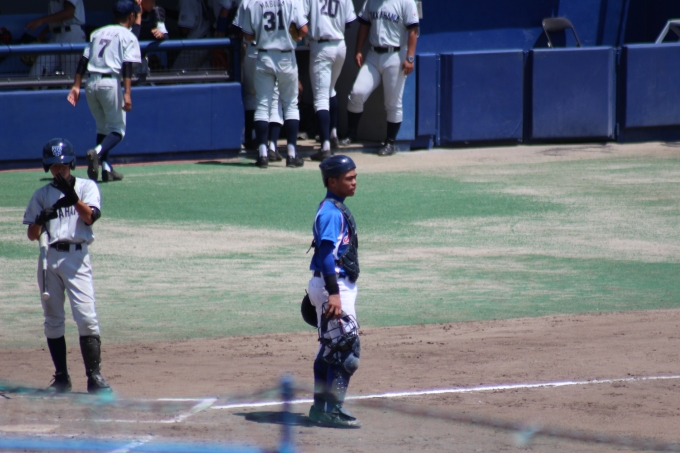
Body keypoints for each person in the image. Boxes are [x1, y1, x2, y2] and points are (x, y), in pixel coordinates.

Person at [22, 138, 111, 395]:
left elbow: (90, 217)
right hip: (49, 257)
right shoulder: (41, 195)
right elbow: (32, 234)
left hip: (77, 258)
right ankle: (61, 377)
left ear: (71, 163)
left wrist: (72, 198)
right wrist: (40, 220)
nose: (58, 170)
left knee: (86, 317)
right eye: (53, 166)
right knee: (53, 319)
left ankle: (94, 377)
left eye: (62, 165)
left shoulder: (86, 187)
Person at [307, 155, 361, 428]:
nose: (354, 182)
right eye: (348, 178)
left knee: (329, 348)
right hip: (334, 285)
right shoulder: (330, 213)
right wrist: (333, 293)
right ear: (332, 181)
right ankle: (333, 410)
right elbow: (327, 255)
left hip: (329, 284)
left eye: (355, 177)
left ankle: (320, 408)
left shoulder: (333, 208)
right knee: (347, 349)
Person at [66, 0, 142, 183]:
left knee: (103, 127)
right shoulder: (127, 35)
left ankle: (107, 169)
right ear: (131, 16)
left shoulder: (98, 32)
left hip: (90, 83)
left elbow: (83, 60)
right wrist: (127, 93)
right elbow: (127, 66)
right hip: (109, 82)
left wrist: (76, 86)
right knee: (117, 130)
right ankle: (97, 152)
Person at [341, 0, 419, 156]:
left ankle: (390, 142)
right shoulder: (371, 1)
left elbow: (413, 30)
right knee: (357, 92)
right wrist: (358, 49)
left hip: (395, 55)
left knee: (393, 102)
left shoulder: (406, 2)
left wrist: (410, 57)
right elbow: (364, 25)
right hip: (373, 54)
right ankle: (351, 133)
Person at [240, 0, 308, 168]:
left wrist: (265, 35)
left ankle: (263, 155)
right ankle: (291, 155)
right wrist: (291, 34)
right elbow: (303, 30)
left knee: (262, 105)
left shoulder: (254, 2)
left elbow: (247, 35)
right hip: (286, 56)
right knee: (290, 105)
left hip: (264, 55)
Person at [305, 0, 356, 161]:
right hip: (340, 45)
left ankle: (325, 147)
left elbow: (300, 21)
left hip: (321, 46)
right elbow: (349, 23)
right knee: (330, 90)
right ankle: (333, 133)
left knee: (321, 99)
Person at [25, 0, 86, 79]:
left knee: (71, 78)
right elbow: (59, 22)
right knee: (36, 75)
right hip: (55, 36)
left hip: (71, 35)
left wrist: (42, 20)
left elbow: (69, 12)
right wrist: (44, 32)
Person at [172, 0, 212, 70]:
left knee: (176, 74)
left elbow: (185, 30)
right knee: (203, 75)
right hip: (207, 40)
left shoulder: (186, 1)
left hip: (196, 44)